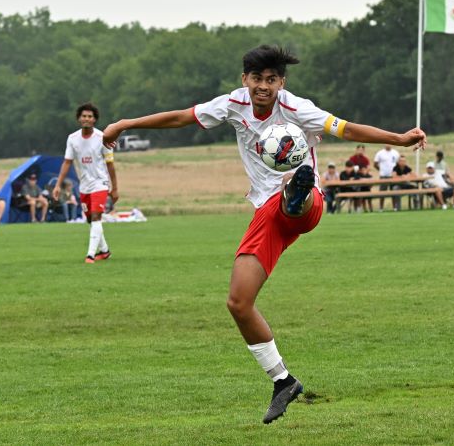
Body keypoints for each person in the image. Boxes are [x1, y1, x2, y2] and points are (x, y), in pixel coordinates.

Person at [101, 45, 427, 424]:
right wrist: (125, 123)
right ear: (245, 80)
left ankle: (297, 192)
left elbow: (347, 128)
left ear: (281, 82)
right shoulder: (232, 104)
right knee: (238, 302)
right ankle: (283, 381)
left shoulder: (296, 108)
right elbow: (180, 118)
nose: (263, 87)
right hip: (266, 213)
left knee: (294, 196)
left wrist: (399, 139)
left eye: (271, 80)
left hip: (306, 207)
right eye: (257, 79)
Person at [54, 103, 119, 263]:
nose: (86, 119)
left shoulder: (103, 138)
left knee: (96, 216)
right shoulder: (72, 139)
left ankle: (90, 255)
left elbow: (110, 164)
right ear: (79, 118)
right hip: (84, 186)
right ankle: (104, 251)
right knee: (90, 219)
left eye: (90, 116)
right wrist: (58, 184)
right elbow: (67, 162)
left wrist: (115, 188)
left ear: (95, 119)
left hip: (100, 183)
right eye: (84, 116)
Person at [373, 144, 400, 211]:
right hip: (383, 176)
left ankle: (394, 208)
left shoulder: (395, 153)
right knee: (382, 192)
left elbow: (398, 164)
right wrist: (381, 170)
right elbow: (375, 164)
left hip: (392, 176)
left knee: (393, 192)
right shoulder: (380, 153)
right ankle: (381, 208)